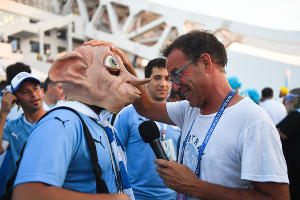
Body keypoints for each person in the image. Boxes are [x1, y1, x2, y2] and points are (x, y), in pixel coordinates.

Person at [132, 30, 289, 199]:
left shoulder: (253, 121)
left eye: (177, 75)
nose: (174, 87)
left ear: (205, 62)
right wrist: (122, 64)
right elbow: (146, 108)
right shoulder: (189, 109)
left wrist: (196, 187)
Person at [12, 43, 150, 200]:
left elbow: (147, 106)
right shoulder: (61, 123)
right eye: (113, 71)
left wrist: (124, 63)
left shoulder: (103, 124)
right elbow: (28, 194)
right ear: (77, 72)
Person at [114, 58, 181, 200]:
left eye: (167, 78)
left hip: (171, 196)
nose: (163, 84)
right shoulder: (127, 114)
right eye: (157, 78)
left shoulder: (179, 114)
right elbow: (114, 155)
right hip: (135, 195)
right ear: (145, 81)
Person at [0, 72, 46, 193]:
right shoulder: (12, 127)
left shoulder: (58, 120)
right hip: (18, 192)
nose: (34, 94)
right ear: (16, 101)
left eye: (36, 88)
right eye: (25, 91)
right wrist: (4, 113)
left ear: (42, 91)